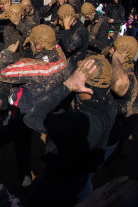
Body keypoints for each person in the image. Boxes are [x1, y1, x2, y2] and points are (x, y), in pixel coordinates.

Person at [24, 56, 117, 206]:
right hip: (79, 175)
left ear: (85, 86)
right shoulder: (109, 102)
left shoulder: (81, 121)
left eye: (79, 76)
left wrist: (68, 85)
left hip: (59, 183)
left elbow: (32, 118)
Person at [0, 25, 68, 188]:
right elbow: (56, 46)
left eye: (32, 43)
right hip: (37, 114)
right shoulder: (61, 60)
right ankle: (25, 180)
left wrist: (8, 51)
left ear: (38, 46)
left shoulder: (31, 66)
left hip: (19, 114)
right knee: (23, 144)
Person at [58, 4, 89, 72]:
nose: (59, 22)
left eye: (61, 20)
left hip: (74, 69)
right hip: (65, 66)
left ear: (70, 18)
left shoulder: (81, 30)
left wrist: (66, 26)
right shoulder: (70, 28)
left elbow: (70, 47)